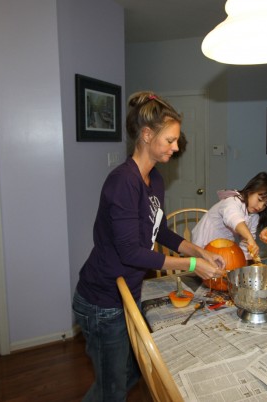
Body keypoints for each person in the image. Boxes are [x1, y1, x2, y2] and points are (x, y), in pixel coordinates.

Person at [72, 91, 226, 402]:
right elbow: (131, 252)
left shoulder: (153, 179)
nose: (176, 146)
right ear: (146, 135)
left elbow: (161, 231)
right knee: (111, 390)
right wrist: (194, 266)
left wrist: (199, 251)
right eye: (170, 139)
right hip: (102, 300)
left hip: (127, 294)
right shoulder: (122, 182)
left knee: (130, 374)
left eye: (177, 139)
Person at [192, 172, 267, 260]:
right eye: (260, 199)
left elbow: (246, 245)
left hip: (223, 249)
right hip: (202, 246)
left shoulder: (254, 216)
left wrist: (247, 260)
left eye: (265, 205)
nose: (261, 206)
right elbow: (234, 219)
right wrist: (250, 238)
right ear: (251, 189)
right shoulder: (232, 201)